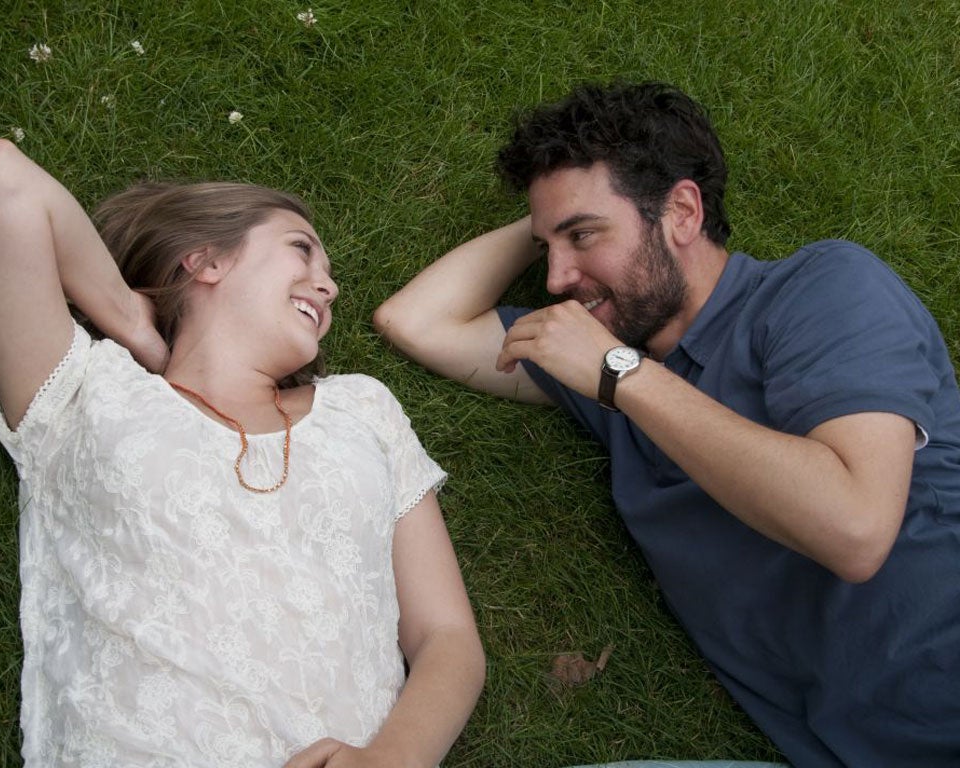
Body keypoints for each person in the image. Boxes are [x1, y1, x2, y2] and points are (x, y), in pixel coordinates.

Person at [374, 80, 960, 766]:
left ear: (681, 211)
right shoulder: (606, 376)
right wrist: (552, 222)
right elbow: (415, 321)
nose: (558, 278)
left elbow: (855, 529)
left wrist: (620, 376)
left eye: (585, 235)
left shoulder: (821, 290)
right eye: (548, 247)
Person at [0, 138, 485, 767]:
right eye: (301, 249)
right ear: (204, 260)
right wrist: (127, 317)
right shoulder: (84, 393)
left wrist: (394, 758)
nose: (330, 285)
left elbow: (447, 636)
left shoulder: (362, 410)